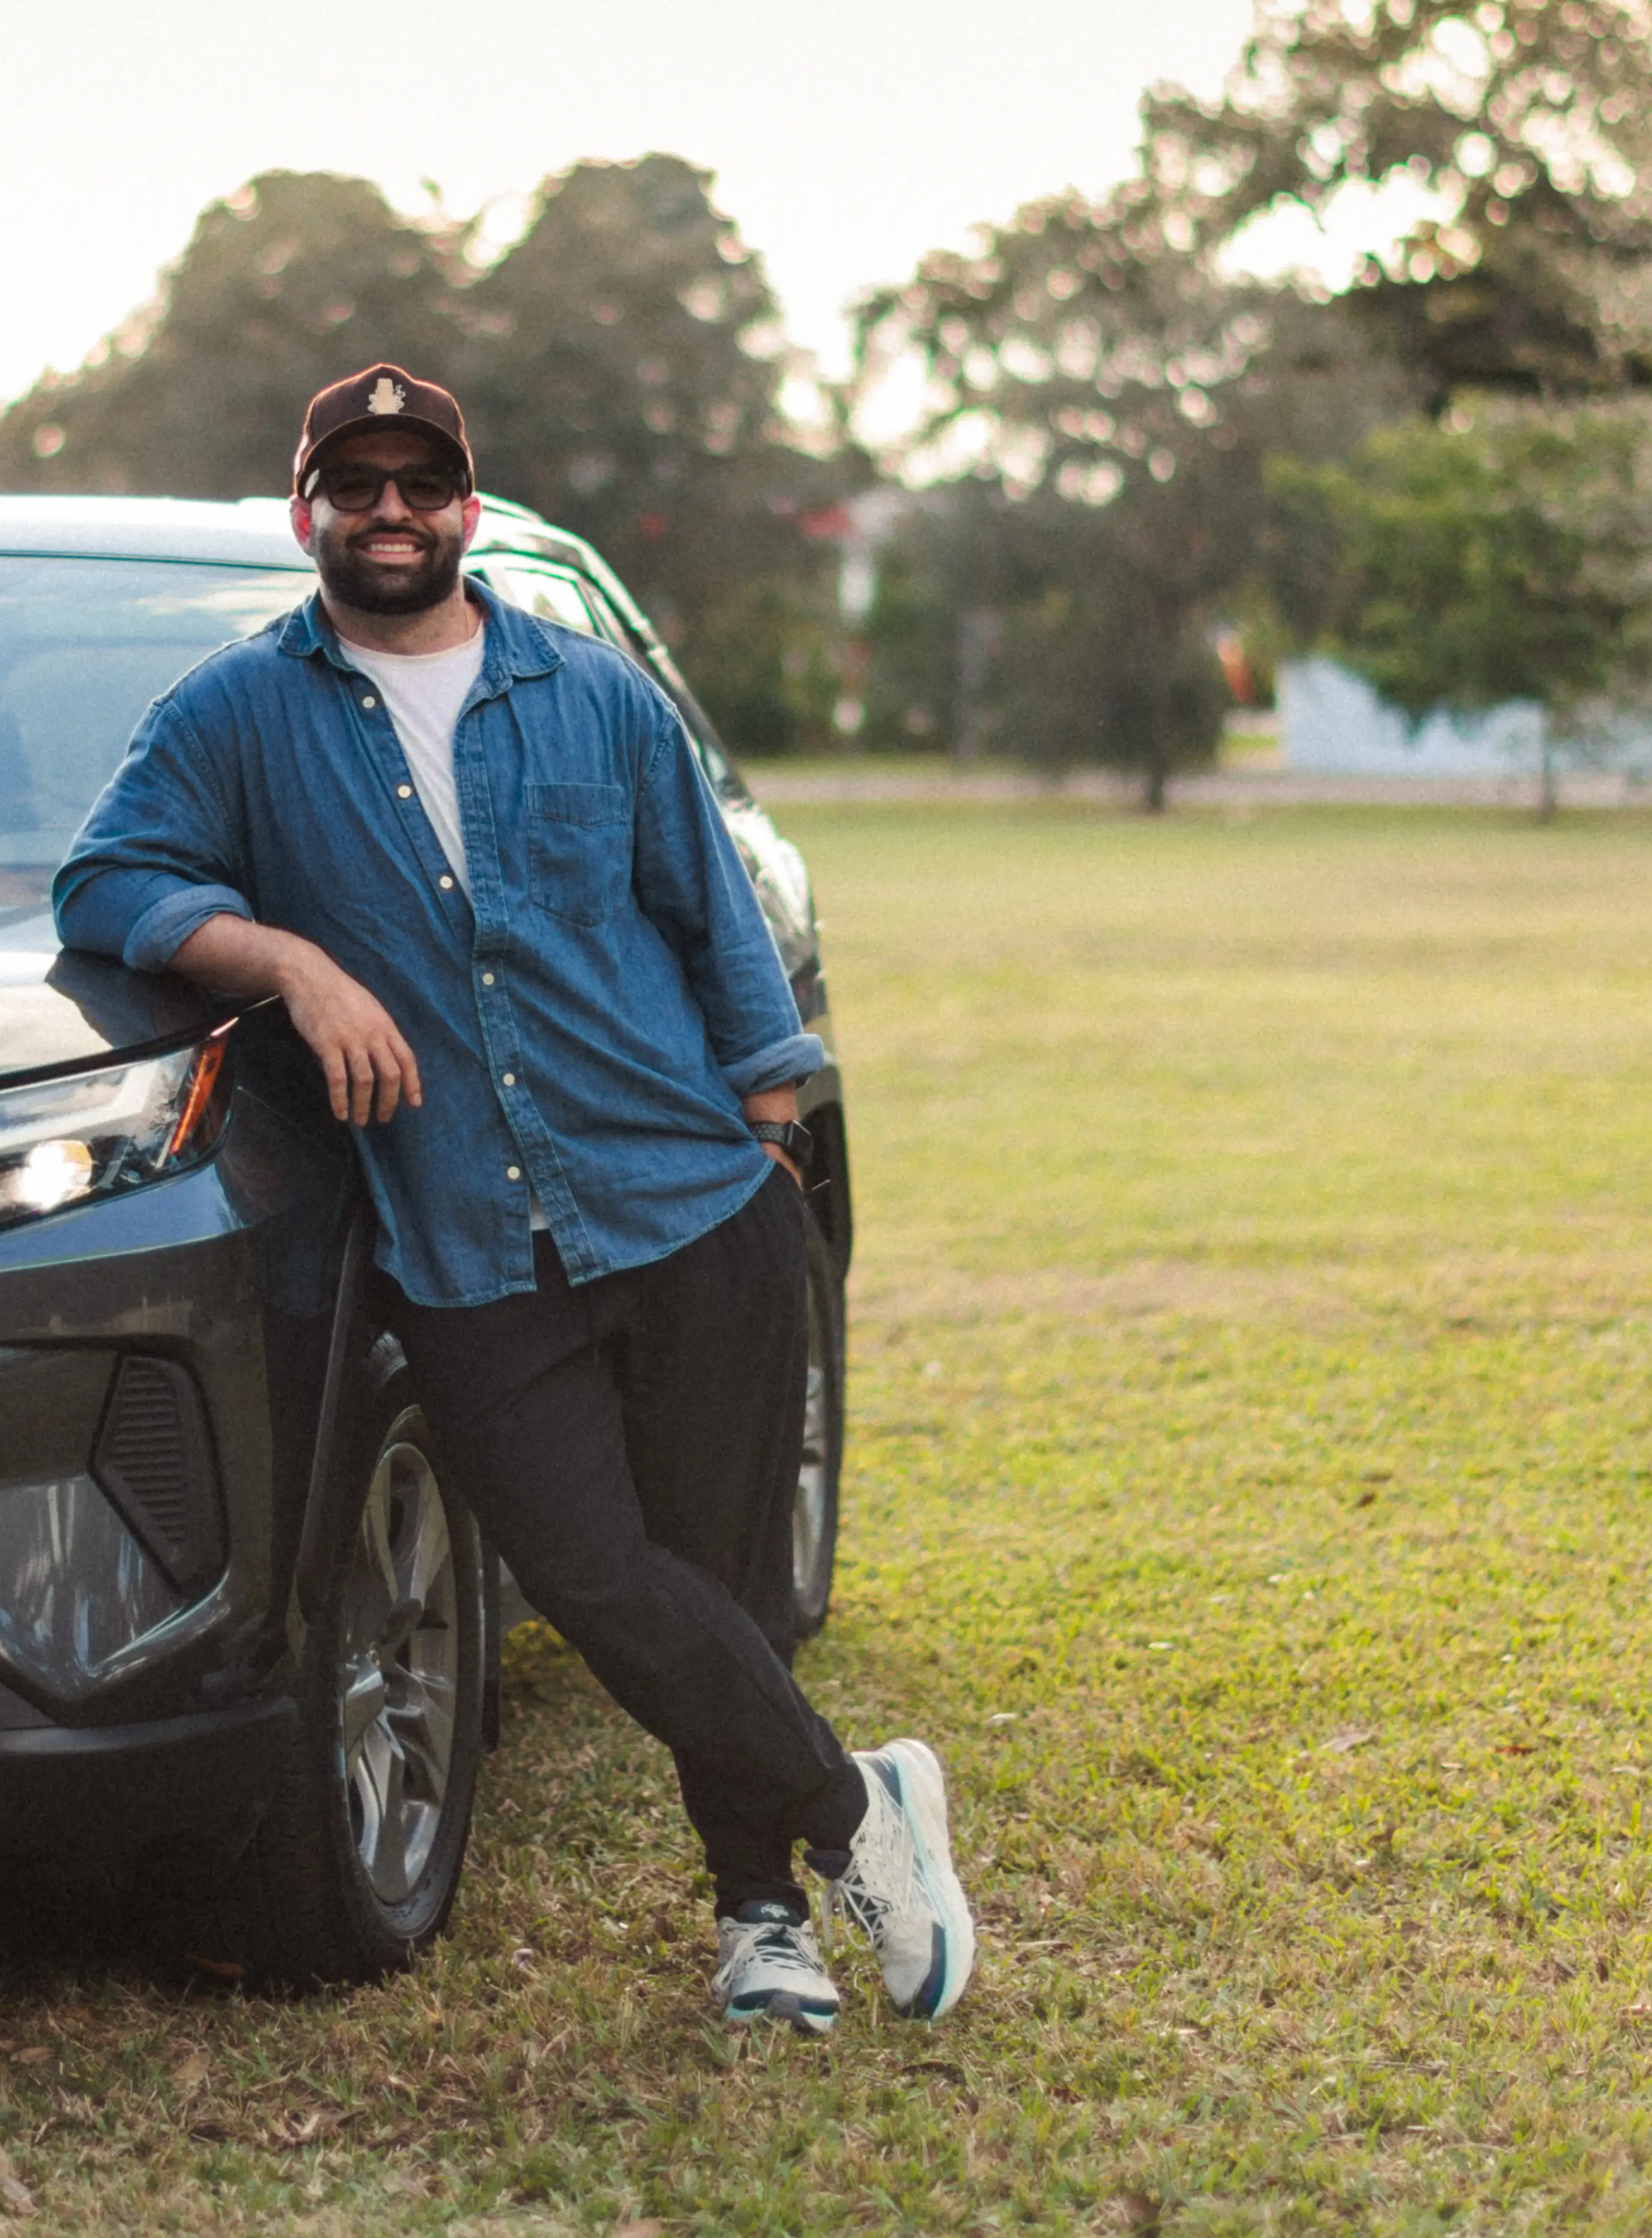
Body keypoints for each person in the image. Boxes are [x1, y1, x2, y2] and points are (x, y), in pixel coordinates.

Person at [54, 363, 975, 2034]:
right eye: (356, 484)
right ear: (307, 512)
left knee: (721, 1579)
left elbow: (716, 923)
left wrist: (767, 1136)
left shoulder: (592, 691)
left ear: (465, 508)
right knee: (596, 1575)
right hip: (465, 1244)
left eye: (419, 483)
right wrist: (291, 964)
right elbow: (106, 876)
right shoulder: (236, 712)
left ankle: (758, 1916)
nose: (388, 510)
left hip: (689, 1203)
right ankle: (859, 1809)